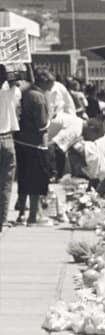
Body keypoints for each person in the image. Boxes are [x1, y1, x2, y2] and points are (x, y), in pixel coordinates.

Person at [13, 68, 52, 226]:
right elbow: (42, 124)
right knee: (36, 181)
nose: (50, 88)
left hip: (20, 141)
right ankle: (33, 216)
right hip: (36, 143)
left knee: (23, 180)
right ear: (45, 82)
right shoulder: (39, 97)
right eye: (50, 84)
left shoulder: (23, 92)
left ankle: (21, 214)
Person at [0, 65, 19, 231]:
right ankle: (2, 219)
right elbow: (15, 80)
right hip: (6, 138)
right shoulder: (9, 93)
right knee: (6, 183)